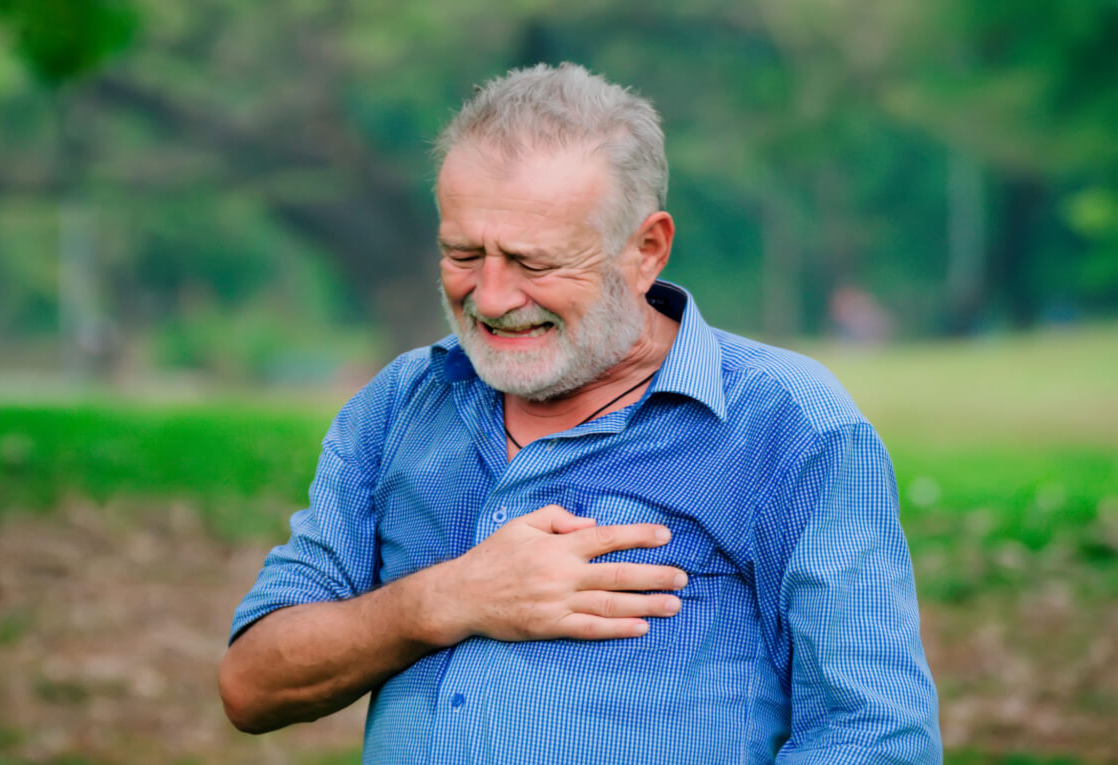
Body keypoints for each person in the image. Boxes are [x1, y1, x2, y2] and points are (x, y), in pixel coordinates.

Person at [219, 62, 942, 764]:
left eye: (534, 262)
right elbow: (254, 684)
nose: (493, 297)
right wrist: (444, 598)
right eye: (463, 253)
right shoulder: (401, 405)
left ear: (645, 250)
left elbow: (876, 737)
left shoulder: (788, 425)